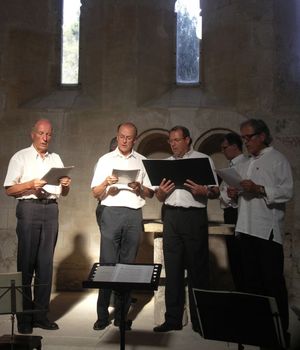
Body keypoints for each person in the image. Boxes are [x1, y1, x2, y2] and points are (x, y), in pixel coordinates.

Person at [227, 119, 293, 346]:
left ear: (262, 136)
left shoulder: (278, 160)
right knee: (251, 285)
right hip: (245, 228)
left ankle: (279, 333)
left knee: (272, 285)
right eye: (243, 138)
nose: (245, 142)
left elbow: (287, 191)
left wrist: (259, 189)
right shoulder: (245, 162)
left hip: (267, 232)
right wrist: (234, 193)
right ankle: (259, 329)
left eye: (248, 138)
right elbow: (233, 197)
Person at [3, 119, 71, 334]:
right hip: (29, 208)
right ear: (32, 134)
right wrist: (30, 184)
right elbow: (9, 189)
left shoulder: (56, 158)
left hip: (51, 209)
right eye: (41, 133)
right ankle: (24, 319)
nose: (45, 138)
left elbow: (64, 193)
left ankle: (41, 315)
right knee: (27, 263)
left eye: (49, 134)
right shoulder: (20, 156)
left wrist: (66, 185)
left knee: (45, 264)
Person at [153, 125, 219, 333]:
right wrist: (161, 193)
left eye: (176, 140)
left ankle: (202, 321)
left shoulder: (203, 159)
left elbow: (216, 192)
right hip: (171, 216)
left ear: (187, 140)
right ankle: (173, 319)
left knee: (198, 270)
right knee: (172, 269)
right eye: (170, 141)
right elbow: (159, 196)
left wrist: (204, 190)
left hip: (194, 217)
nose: (173, 144)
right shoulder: (165, 164)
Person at [91, 122, 154, 331]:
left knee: (127, 266)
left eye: (129, 138)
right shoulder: (105, 160)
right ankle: (102, 316)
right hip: (111, 212)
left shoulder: (142, 161)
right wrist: (106, 184)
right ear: (117, 136)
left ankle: (121, 316)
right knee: (107, 264)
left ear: (135, 139)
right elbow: (95, 192)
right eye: (121, 137)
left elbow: (151, 193)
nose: (125, 141)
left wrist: (140, 187)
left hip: (134, 214)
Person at [219, 132, 248, 290]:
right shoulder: (231, 165)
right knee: (234, 258)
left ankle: (245, 293)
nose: (223, 151)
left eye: (225, 147)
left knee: (241, 258)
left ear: (235, 146)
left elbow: (241, 191)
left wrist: (225, 194)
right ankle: (240, 291)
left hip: (239, 213)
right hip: (229, 213)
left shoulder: (245, 164)